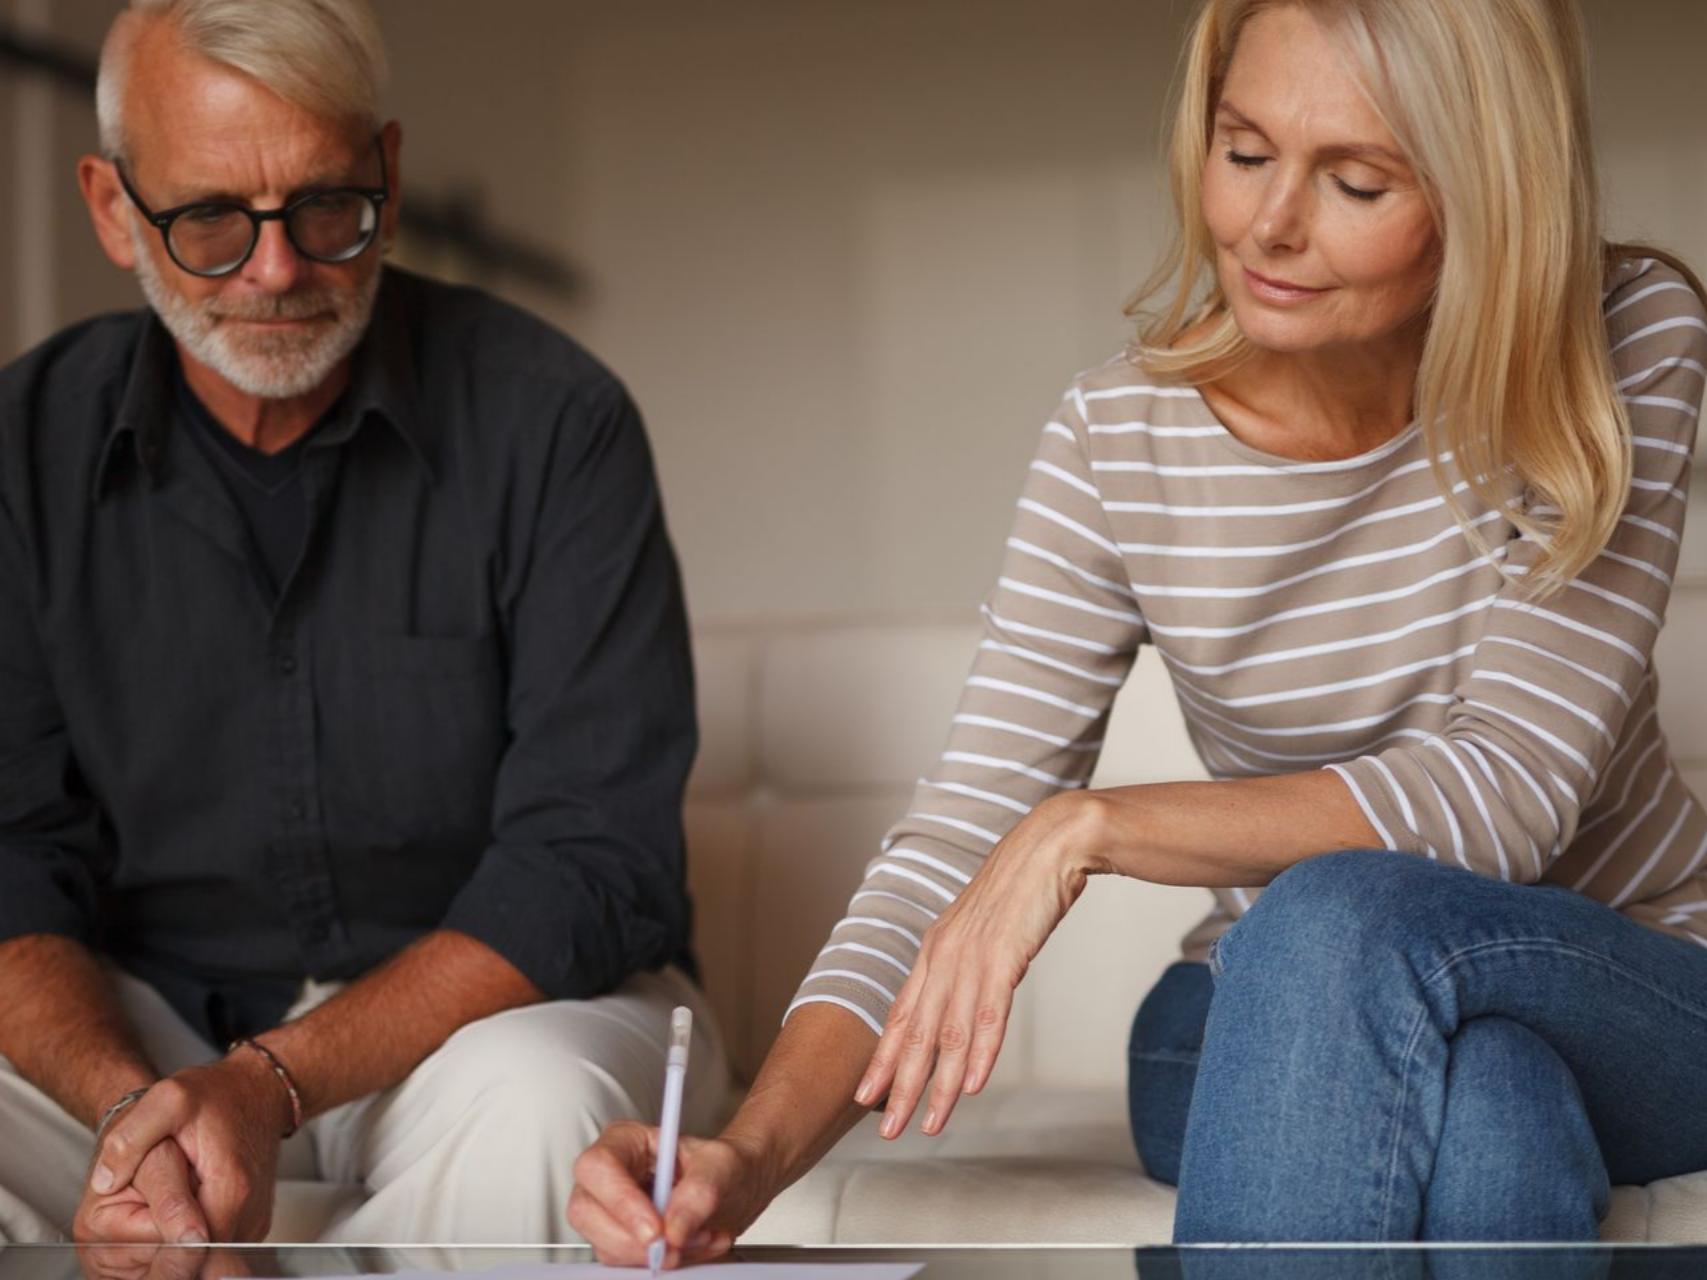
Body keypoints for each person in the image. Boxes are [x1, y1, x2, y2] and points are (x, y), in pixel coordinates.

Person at [571, 0, 1707, 1258]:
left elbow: (1506, 789)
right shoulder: (1118, 441)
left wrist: (1092, 824)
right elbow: (956, 848)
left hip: (1631, 979)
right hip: (1267, 994)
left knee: (1335, 914)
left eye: (1355, 182)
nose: (1270, 224)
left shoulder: (1620, 340)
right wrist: (745, 1158)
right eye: (1244, 150)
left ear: (1490, 194)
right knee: (1487, 1111)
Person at [0, 0, 726, 1247]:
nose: (278, 271)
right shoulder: (20, 453)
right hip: (145, 1024)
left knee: (540, 1110)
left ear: (386, 175)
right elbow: (12, 859)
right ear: (114, 209)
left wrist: (265, 1083)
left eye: (326, 206)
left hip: (494, 1019)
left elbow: (590, 861)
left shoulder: (555, 421)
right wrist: (138, 1113)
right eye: (210, 219)